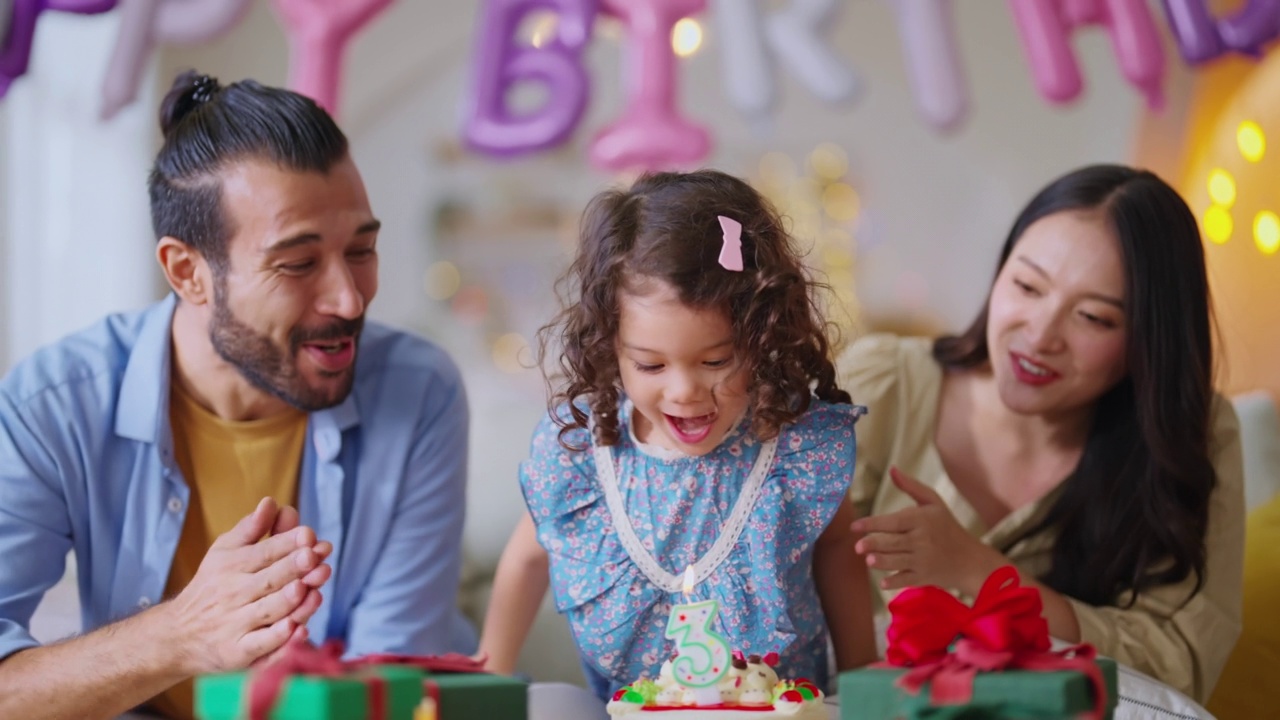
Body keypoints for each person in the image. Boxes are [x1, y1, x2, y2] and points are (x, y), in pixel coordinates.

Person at [0, 71, 473, 720]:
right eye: (298, 264)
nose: (349, 297)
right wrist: (179, 635)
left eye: (362, 249)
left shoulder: (420, 390)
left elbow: (385, 684)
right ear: (188, 272)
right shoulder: (52, 403)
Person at [840, 164, 1244, 704]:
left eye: (1094, 318)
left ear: (1150, 341)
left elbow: (1181, 666)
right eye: (1027, 285)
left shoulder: (1193, 433)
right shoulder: (883, 385)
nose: (1039, 334)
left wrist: (983, 573)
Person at [477, 169, 877, 701]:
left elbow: (836, 549)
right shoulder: (585, 457)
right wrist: (487, 676)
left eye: (716, 359)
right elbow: (527, 559)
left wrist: (859, 683)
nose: (685, 391)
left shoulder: (795, 449)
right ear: (610, 348)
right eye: (650, 365)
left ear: (761, 334)